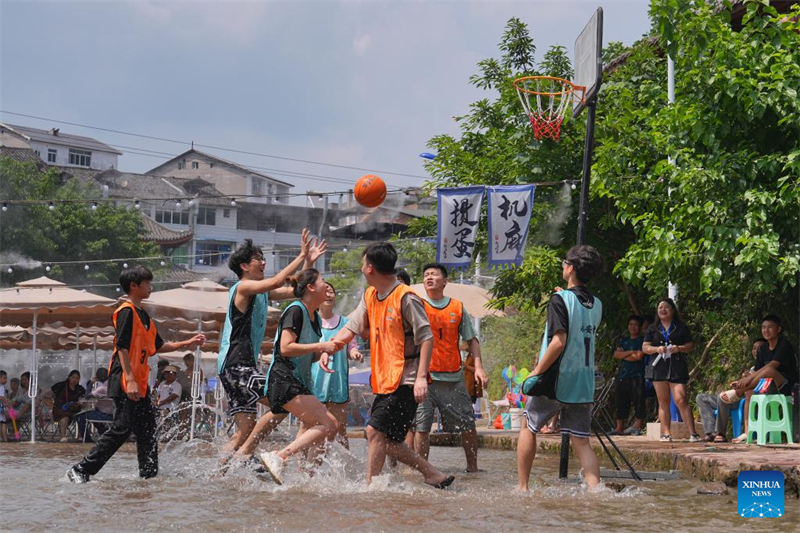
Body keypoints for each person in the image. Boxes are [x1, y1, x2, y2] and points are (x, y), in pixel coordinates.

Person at [321, 242, 455, 488]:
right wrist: (330, 347)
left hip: (408, 380)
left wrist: (423, 378)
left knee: (374, 432)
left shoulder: (405, 297)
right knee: (390, 440)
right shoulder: (370, 295)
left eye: (363, 264)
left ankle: (370, 487)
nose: (361, 269)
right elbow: (351, 326)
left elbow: (426, 337)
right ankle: (432, 474)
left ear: (370, 268)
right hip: (385, 379)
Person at [66, 265, 205, 483]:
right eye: (147, 283)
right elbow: (121, 346)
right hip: (125, 378)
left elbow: (157, 346)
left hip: (139, 382)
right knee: (122, 428)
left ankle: (149, 475)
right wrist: (129, 380)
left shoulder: (143, 315)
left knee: (148, 429)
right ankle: (81, 469)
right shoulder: (126, 311)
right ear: (134, 286)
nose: (151, 287)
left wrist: (187, 343)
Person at [216, 231, 326, 466]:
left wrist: (309, 263)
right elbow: (278, 282)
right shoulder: (243, 287)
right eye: (259, 259)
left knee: (245, 430)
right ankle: (248, 458)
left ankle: (219, 473)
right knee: (283, 398)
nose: (264, 262)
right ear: (245, 266)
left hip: (240, 367)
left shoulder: (261, 292)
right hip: (235, 366)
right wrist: (301, 255)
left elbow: (298, 291)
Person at [517, 245, 604, 491]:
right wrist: (562, 297)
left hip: (556, 379)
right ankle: (596, 492)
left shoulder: (559, 300)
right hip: (583, 381)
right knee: (582, 441)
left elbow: (558, 342)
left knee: (528, 426)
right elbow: (577, 315)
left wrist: (535, 373)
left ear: (571, 268)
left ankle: (522, 487)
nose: (563, 265)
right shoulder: (597, 304)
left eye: (565, 262)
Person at [257, 269, 342, 484]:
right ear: (311, 287)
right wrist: (321, 345)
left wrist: (321, 354)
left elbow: (305, 352)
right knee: (329, 423)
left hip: (299, 382)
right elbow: (285, 348)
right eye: (323, 281)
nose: (327, 287)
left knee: (323, 429)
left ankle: (306, 478)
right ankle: (279, 455)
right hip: (284, 380)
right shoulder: (296, 310)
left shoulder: (313, 317)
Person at [412, 263, 488, 472]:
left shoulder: (457, 306)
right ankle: (424, 470)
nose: (429, 277)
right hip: (425, 379)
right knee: (422, 426)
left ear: (445, 282)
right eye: (426, 274)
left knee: (467, 425)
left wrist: (479, 367)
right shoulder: (417, 305)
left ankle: (473, 468)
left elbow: (471, 339)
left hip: (454, 378)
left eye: (434, 274)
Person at [721, 315, 798, 441]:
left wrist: (746, 381)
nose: (766, 330)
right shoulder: (762, 349)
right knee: (750, 390)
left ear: (778, 329)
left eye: (770, 327)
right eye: (763, 327)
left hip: (787, 385)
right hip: (767, 385)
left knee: (769, 369)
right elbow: (757, 371)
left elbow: (772, 366)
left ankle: (740, 391)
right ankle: (747, 432)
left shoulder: (784, 345)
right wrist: (747, 378)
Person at [309, 282, 363, 448]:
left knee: (340, 428)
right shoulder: (311, 321)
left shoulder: (345, 322)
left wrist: (354, 353)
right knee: (309, 426)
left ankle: (345, 470)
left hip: (337, 381)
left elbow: (351, 344)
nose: (328, 295)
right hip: (313, 381)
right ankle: (304, 468)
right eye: (324, 292)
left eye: (331, 292)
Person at [642, 298, 700, 442]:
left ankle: (693, 434)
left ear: (673, 310)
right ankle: (666, 434)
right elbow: (645, 348)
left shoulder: (681, 327)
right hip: (658, 368)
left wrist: (679, 348)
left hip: (677, 366)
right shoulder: (652, 328)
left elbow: (691, 345)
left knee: (681, 399)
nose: (662, 310)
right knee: (663, 401)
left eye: (666, 307)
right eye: (660, 307)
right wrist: (656, 349)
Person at [696, 339, 764, 443]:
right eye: (754, 348)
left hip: (749, 401)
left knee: (722, 398)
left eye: (759, 349)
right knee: (701, 398)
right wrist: (738, 383)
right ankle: (710, 433)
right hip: (739, 397)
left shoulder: (765, 368)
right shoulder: (752, 368)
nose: (756, 351)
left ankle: (721, 433)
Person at [610, 315, 646, 436]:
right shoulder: (624, 340)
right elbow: (616, 354)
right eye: (631, 324)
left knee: (639, 401)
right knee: (620, 401)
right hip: (623, 375)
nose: (633, 327)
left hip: (637, 375)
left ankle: (638, 425)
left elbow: (639, 357)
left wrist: (624, 354)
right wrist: (631, 352)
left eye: (635, 325)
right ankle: (619, 427)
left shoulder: (642, 340)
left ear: (640, 327)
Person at [51, 370, 88, 442]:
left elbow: (84, 398)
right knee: (65, 416)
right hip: (60, 408)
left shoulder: (80, 389)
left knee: (82, 415)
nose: (75, 380)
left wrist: (80, 403)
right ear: (69, 377)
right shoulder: (61, 386)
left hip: (74, 409)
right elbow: (51, 392)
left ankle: (81, 435)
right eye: (73, 377)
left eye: (77, 378)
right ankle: (63, 436)